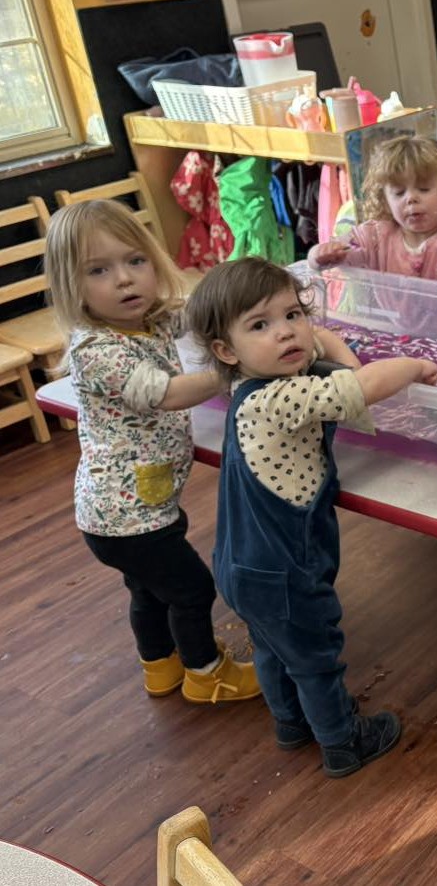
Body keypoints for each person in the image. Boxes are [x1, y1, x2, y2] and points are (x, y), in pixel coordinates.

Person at [185, 257, 437, 778]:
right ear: (226, 350)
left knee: (273, 650)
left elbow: (325, 351)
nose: (285, 332)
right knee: (315, 657)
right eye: (261, 325)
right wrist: (413, 367)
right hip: (284, 570)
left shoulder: (246, 388)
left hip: (240, 565)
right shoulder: (282, 396)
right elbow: (361, 388)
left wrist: (316, 337)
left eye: (293, 314)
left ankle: (290, 724)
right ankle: (343, 741)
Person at [44, 199, 261, 705]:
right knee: (192, 590)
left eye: (135, 261)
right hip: (125, 518)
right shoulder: (96, 350)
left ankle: (159, 667)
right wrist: (239, 366)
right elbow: (164, 392)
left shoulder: (151, 320)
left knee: (147, 592)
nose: (124, 280)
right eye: (99, 270)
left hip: (137, 507)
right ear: (70, 286)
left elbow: (199, 315)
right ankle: (208, 675)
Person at [307, 135, 437, 288]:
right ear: (385, 201)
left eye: (424, 189)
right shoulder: (375, 237)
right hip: (400, 337)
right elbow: (321, 262)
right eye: (399, 192)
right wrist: (318, 254)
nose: (411, 198)